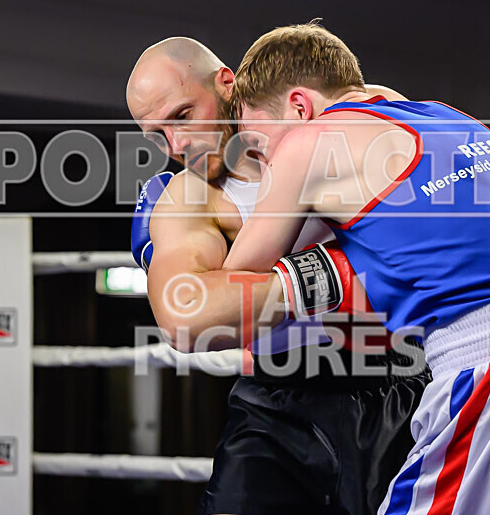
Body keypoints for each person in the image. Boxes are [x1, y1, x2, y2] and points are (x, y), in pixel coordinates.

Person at [215, 23, 490, 513]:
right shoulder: (446, 116)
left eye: (261, 143)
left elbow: (230, 290)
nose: (262, 161)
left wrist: (193, 222)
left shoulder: (312, 141)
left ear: (299, 106)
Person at [127, 37, 430, 515]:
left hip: (397, 379)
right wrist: (341, 269)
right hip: (277, 403)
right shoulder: (190, 198)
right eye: (156, 135)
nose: (176, 145)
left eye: (183, 116)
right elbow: (183, 316)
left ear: (226, 83)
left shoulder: (333, 123)